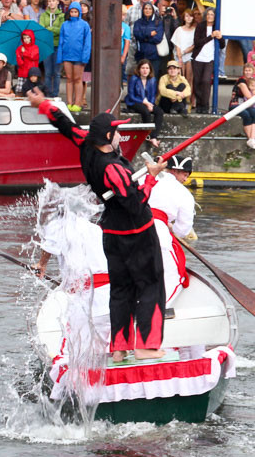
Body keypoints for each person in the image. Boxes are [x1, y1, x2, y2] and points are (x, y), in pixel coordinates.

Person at [27, 89, 169, 363]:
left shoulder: (86, 143)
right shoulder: (111, 168)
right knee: (150, 285)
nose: (120, 136)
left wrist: (42, 104)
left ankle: (119, 347)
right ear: (106, 137)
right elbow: (136, 203)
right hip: (136, 233)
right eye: (116, 132)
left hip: (112, 233)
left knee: (121, 288)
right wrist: (151, 177)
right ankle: (147, 346)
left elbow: (65, 125)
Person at [34, 194, 113, 368]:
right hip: (108, 293)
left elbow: (50, 245)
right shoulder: (96, 230)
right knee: (107, 343)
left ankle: (64, 384)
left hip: (86, 297)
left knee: (71, 348)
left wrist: (41, 264)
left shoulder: (60, 226)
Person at [149, 155, 197, 317]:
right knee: (174, 276)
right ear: (175, 171)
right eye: (185, 174)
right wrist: (170, 226)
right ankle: (160, 312)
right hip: (157, 232)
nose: (186, 179)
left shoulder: (145, 177)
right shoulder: (184, 194)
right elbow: (183, 231)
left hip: (128, 228)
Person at [58, 4, 91, 109]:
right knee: (69, 79)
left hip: (79, 56)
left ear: (79, 12)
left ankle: (77, 103)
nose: (73, 14)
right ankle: (69, 102)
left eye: (75, 12)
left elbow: (87, 42)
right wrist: (60, 55)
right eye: (71, 12)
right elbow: (61, 41)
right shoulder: (65, 24)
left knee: (78, 79)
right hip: (67, 55)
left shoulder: (84, 25)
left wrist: (85, 56)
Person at [191, 7, 223, 113]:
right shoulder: (200, 26)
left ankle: (205, 105)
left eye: (212, 14)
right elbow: (197, 42)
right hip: (198, 58)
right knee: (197, 82)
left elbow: (222, 45)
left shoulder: (217, 27)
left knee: (205, 81)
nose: (209, 16)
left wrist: (220, 37)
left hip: (210, 59)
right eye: (208, 14)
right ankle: (199, 105)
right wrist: (211, 36)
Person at [127, 59, 161, 148]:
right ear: (139, 69)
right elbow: (131, 96)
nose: (145, 70)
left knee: (159, 112)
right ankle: (148, 134)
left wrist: (150, 104)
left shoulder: (152, 80)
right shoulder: (134, 78)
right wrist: (144, 102)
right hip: (135, 101)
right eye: (143, 68)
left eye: (147, 68)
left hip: (148, 102)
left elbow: (153, 95)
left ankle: (154, 136)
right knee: (145, 112)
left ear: (150, 70)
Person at [231, 63, 255, 150]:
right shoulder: (241, 81)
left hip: (247, 104)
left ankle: (252, 139)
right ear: (243, 71)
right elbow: (248, 96)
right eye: (246, 70)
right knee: (246, 114)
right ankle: (250, 139)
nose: (247, 72)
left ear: (253, 71)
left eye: (249, 70)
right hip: (236, 104)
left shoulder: (252, 81)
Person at [38, 0, 64, 97]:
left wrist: (49, 28)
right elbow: (42, 29)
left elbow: (61, 30)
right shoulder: (43, 15)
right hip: (47, 46)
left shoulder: (61, 16)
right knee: (48, 72)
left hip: (57, 45)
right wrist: (53, 29)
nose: (52, 3)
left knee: (56, 73)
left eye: (53, 1)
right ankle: (48, 93)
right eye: (49, 1)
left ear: (57, 2)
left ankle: (55, 94)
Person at [132, 1, 163, 76]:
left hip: (154, 55)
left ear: (152, 10)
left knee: (153, 77)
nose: (147, 10)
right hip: (141, 54)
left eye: (149, 8)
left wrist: (144, 38)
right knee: (141, 77)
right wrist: (149, 34)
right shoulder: (138, 23)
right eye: (145, 8)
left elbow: (158, 38)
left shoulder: (158, 22)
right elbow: (137, 35)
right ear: (143, 10)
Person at [171, 7, 197, 86]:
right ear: (184, 18)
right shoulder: (179, 29)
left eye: (191, 16)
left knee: (189, 79)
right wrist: (180, 58)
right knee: (180, 78)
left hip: (190, 56)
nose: (189, 18)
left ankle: (188, 98)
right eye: (187, 16)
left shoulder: (195, 30)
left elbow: (195, 44)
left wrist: (186, 51)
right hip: (179, 56)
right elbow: (177, 44)